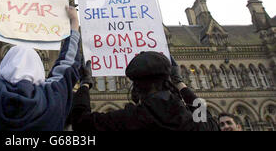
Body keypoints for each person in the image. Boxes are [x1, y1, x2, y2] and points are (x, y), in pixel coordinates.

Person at [0, 3, 81, 131]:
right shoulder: (53, 99)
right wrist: (74, 22)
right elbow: (68, 64)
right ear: (39, 69)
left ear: (5, 65)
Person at [71, 52, 220, 131]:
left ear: (136, 88)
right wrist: (180, 83)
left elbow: (80, 122)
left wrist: (85, 84)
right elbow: (204, 113)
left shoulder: (128, 119)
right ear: (168, 81)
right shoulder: (195, 123)